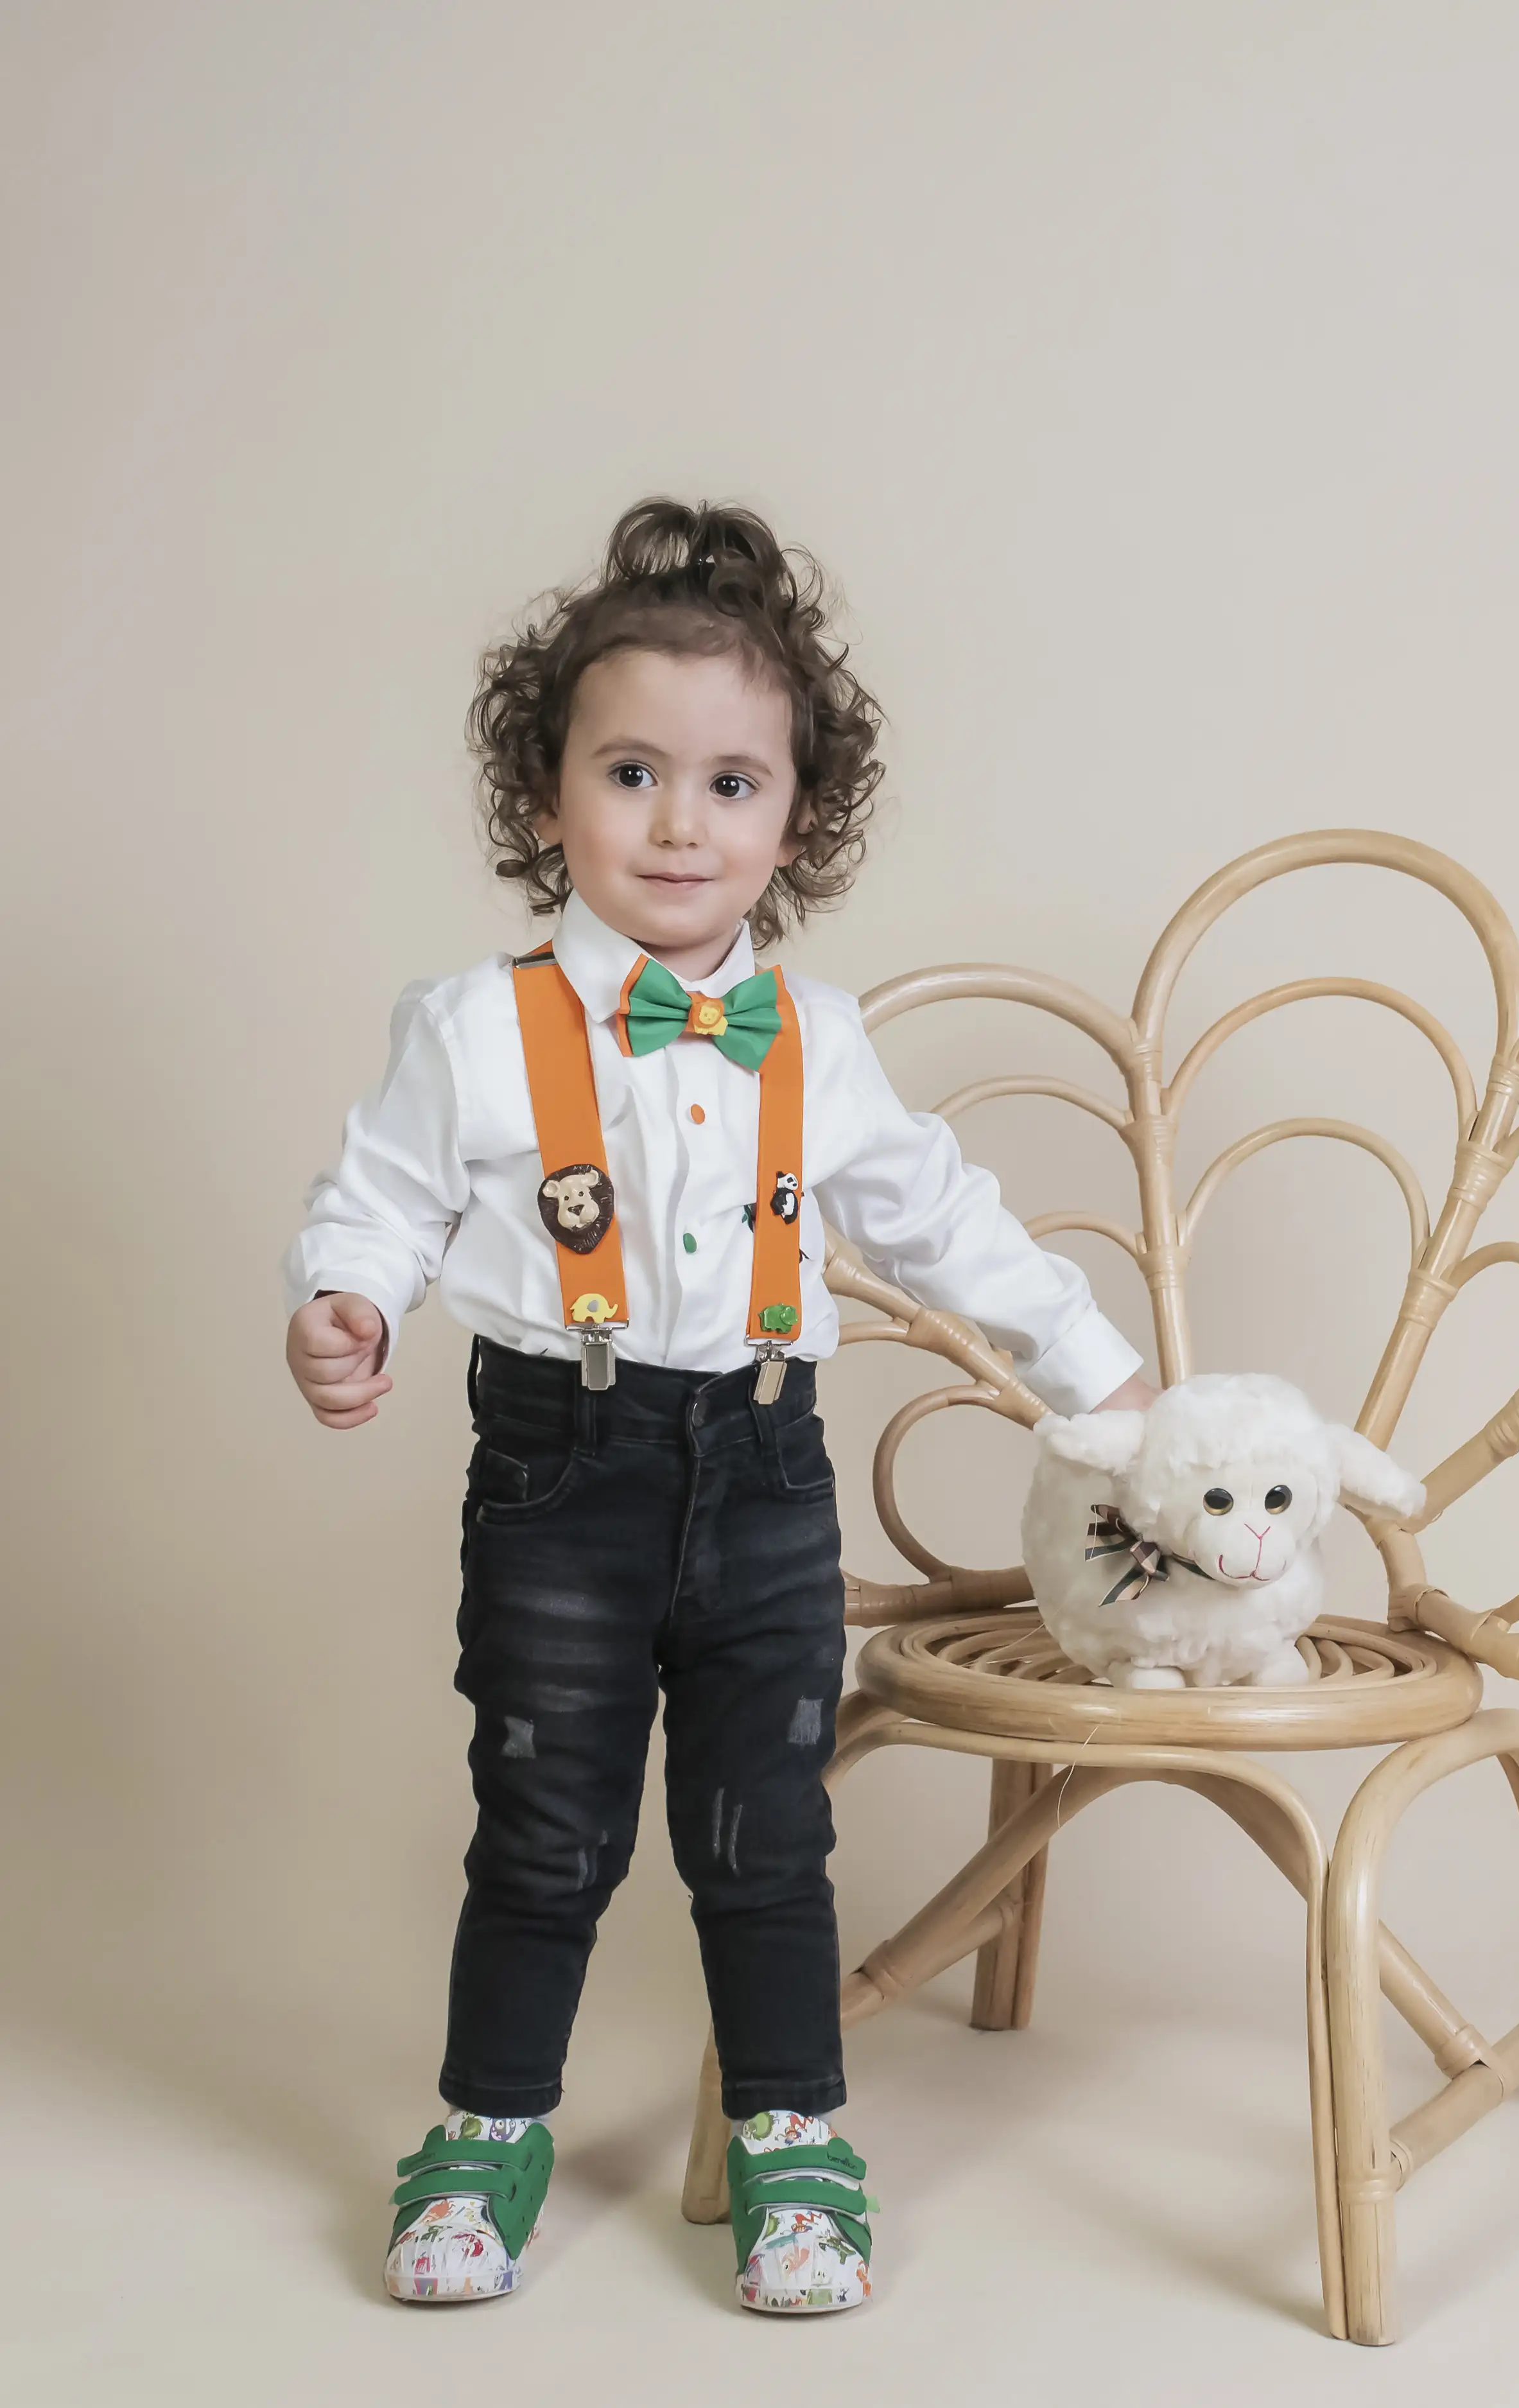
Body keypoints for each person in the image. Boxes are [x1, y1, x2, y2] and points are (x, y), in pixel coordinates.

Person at [283, 499, 1153, 2314]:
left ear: (796, 822)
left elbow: (937, 1216)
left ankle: (792, 2135)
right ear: (547, 799)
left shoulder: (816, 1040)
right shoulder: (473, 1026)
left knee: (767, 1834)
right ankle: (488, 2124)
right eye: (633, 774)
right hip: (559, 1470)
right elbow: (380, 1199)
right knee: (545, 1828)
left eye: (733, 784)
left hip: (763, 1469)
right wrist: (345, 1299)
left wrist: (1100, 1374)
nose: (682, 823)